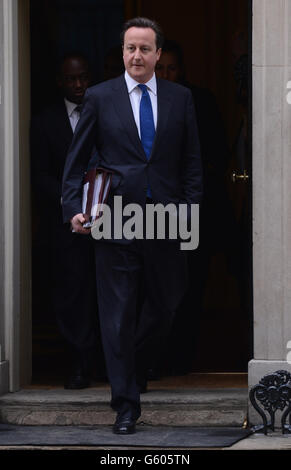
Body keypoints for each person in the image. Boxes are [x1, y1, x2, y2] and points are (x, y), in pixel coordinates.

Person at [61, 18, 203, 435]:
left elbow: (191, 164)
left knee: (167, 303)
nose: (136, 56)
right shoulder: (100, 97)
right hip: (115, 220)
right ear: (122, 53)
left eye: (144, 49)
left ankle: (133, 365)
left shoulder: (181, 98)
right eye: (129, 49)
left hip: (166, 221)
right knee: (118, 317)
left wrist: (190, 212)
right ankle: (125, 404)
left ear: (159, 54)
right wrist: (74, 207)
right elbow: (76, 161)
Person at [155, 40, 239, 374]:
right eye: (160, 68)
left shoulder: (200, 100)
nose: (166, 74)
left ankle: (184, 361)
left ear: (183, 69)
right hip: (151, 215)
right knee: (156, 290)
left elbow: (218, 154)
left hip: (195, 212)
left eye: (172, 68)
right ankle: (156, 360)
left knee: (191, 288)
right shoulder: (140, 102)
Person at [31, 53, 103, 389]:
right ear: (60, 81)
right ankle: (79, 363)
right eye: (71, 79)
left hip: (109, 219)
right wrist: (71, 203)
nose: (78, 85)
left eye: (83, 77)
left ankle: (107, 363)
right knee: (71, 294)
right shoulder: (44, 120)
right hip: (64, 224)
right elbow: (39, 174)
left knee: (107, 290)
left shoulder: (104, 111)